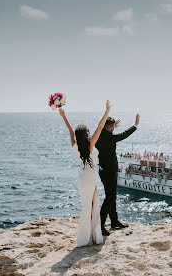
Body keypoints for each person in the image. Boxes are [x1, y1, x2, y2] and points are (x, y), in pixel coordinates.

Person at [59, 101, 111, 247]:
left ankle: (92, 236)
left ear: (77, 136)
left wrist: (63, 115)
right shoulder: (90, 145)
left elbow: (70, 129)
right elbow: (101, 127)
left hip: (82, 179)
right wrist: (107, 110)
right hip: (89, 179)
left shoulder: (75, 146)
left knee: (89, 205)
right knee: (89, 206)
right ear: (87, 134)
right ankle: (84, 239)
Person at [96, 113, 141, 236]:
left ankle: (114, 221)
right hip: (109, 171)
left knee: (112, 196)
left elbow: (106, 132)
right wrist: (135, 125)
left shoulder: (100, 135)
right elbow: (123, 135)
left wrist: (112, 127)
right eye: (112, 127)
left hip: (103, 170)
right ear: (109, 127)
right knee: (109, 198)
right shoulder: (109, 137)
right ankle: (100, 225)